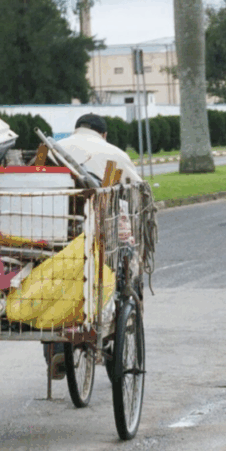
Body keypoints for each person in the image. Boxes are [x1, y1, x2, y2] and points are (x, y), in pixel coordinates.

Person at [44, 113, 140, 380]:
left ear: (76, 130)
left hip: (52, 234)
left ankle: (53, 346)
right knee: (122, 257)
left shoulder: (56, 149)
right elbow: (136, 190)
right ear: (104, 135)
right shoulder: (115, 153)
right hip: (97, 236)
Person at [55, 113, 141, 185]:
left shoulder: (55, 147)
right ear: (104, 135)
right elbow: (138, 186)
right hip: (98, 203)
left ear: (76, 130)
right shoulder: (117, 154)